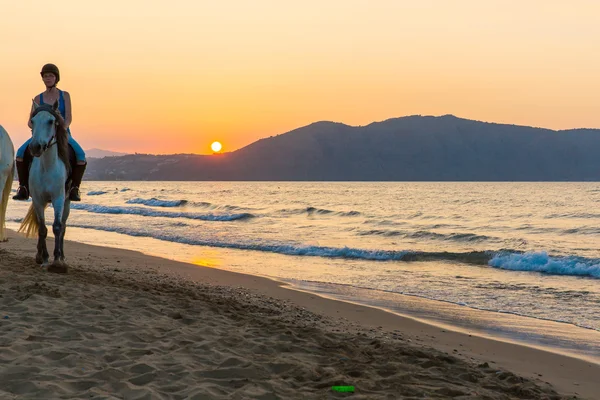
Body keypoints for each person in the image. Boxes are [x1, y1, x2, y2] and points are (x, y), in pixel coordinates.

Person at [13, 63, 86, 201]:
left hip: (63, 133)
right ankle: (23, 187)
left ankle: (74, 188)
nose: (48, 79)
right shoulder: (37, 99)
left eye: (51, 76)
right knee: (20, 153)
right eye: (45, 76)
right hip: (41, 134)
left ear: (56, 78)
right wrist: (36, 126)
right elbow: (30, 121)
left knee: (81, 155)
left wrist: (61, 127)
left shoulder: (65, 95)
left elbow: (69, 117)